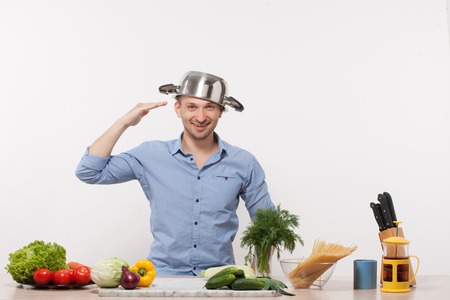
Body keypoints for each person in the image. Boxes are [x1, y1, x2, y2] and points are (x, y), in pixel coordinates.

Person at [75, 71, 275, 276]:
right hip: (160, 279)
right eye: (192, 107)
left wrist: (257, 274)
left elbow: (268, 225)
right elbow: (89, 172)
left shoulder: (243, 162)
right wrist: (123, 122)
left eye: (209, 107)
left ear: (221, 111)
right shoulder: (150, 155)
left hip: (221, 280)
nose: (200, 117)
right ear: (178, 109)